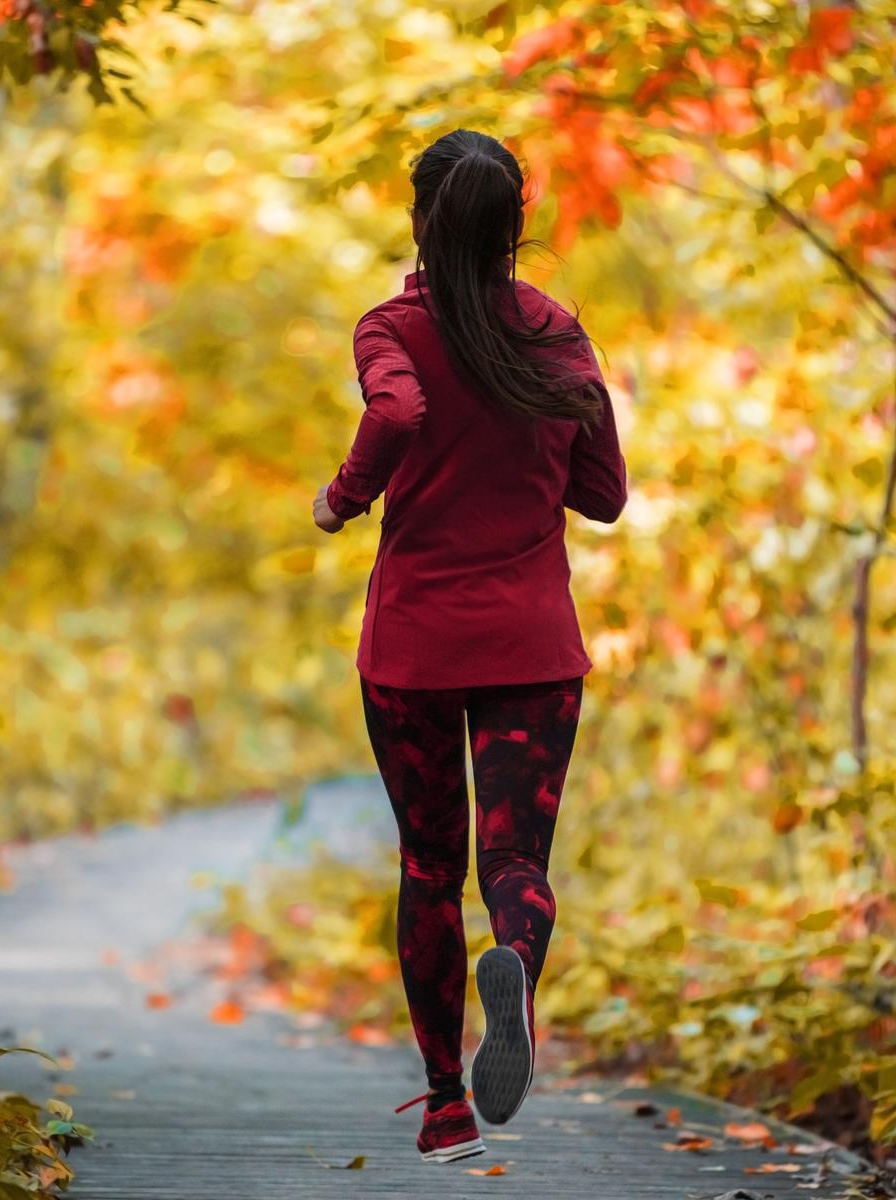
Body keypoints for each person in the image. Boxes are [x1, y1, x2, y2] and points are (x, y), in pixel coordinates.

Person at [310, 128, 628, 1165]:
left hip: (411, 652)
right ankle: (517, 974)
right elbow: (606, 494)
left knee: (428, 864)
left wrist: (344, 495)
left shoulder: (390, 328)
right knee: (513, 861)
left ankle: (447, 1104)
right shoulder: (555, 333)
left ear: (419, 220)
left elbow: (398, 409)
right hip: (533, 648)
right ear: (514, 227)